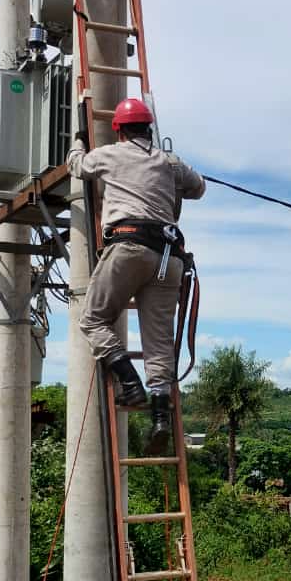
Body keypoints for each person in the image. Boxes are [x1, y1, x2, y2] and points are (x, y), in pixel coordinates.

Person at [66, 97, 205, 453]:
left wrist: (79, 141)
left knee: (93, 318)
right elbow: (199, 187)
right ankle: (160, 415)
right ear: (149, 129)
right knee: (158, 343)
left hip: (128, 247)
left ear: (120, 130)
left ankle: (129, 381)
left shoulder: (110, 154)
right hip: (168, 255)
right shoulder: (168, 161)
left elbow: (78, 167)